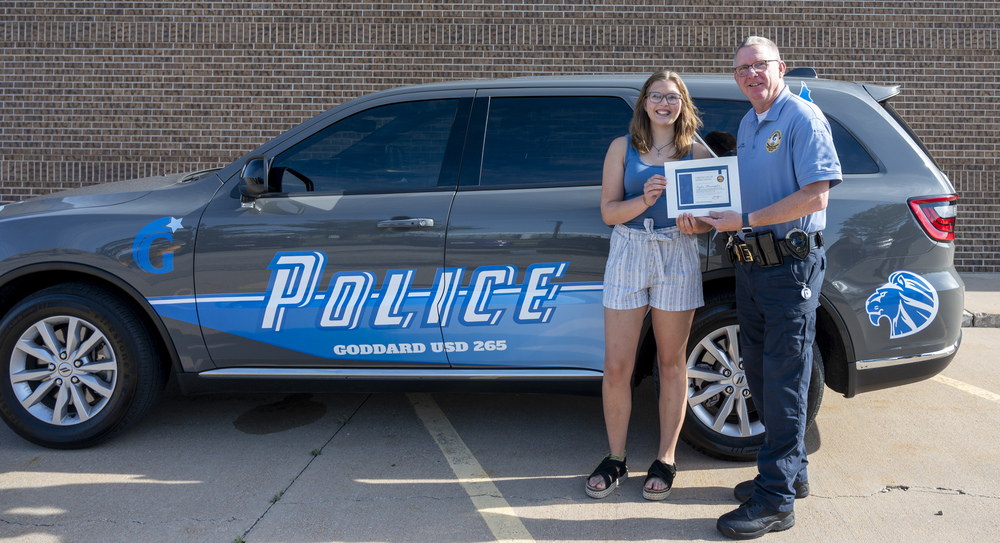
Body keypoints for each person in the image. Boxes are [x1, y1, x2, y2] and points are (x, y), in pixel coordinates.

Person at [701, 37, 842, 539]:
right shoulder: (748, 122)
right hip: (751, 265)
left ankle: (776, 500)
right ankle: (791, 473)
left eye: (759, 66)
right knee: (760, 373)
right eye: (742, 69)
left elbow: (816, 192)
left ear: (779, 67)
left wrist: (749, 218)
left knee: (783, 380)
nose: (751, 75)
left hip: (789, 267)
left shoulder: (802, 118)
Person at [586, 70, 713, 501]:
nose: (664, 104)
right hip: (629, 250)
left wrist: (696, 225)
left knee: (671, 363)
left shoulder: (696, 151)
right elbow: (607, 213)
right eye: (656, 96)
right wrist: (644, 200)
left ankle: (666, 458)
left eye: (672, 97)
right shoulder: (623, 148)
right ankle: (616, 458)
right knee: (618, 366)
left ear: (683, 104)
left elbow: (712, 218)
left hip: (676, 253)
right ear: (644, 102)